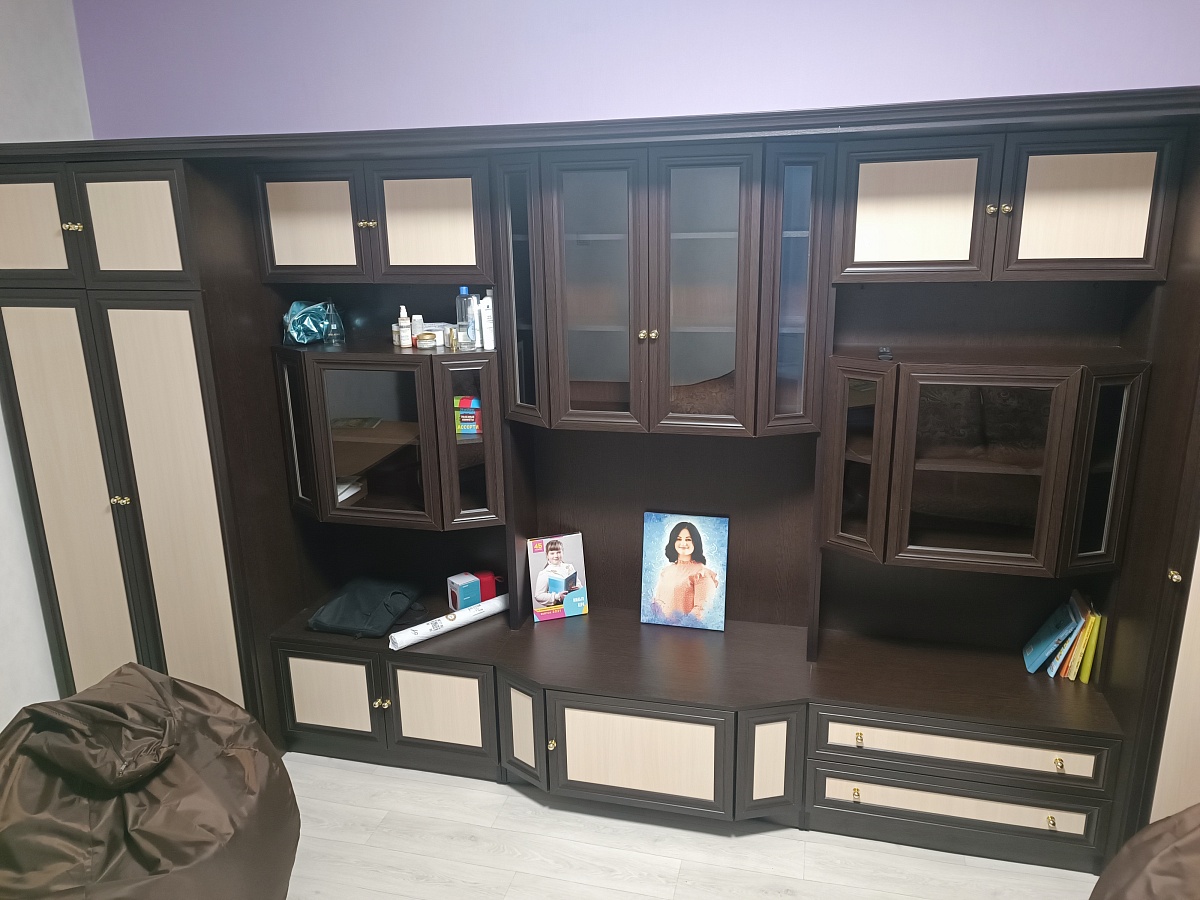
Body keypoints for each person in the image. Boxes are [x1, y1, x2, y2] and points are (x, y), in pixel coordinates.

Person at [651, 522, 720, 620]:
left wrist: (680, 626)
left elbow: (701, 610)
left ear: (695, 542)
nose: (683, 543)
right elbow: (657, 603)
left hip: (685, 629)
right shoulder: (666, 571)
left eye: (688, 539)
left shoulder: (701, 574)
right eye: (678, 539)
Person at [533, 539, 581, 609]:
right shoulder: (544, 573)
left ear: (562, 552)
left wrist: (578, 587)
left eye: (558, 552)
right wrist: (557, 596)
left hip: (572, 605)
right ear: (547, 555)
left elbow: (579, 584)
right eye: (552, 553)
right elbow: (538, 596)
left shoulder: (569, 567)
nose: (556, 556)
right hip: (556, 608)